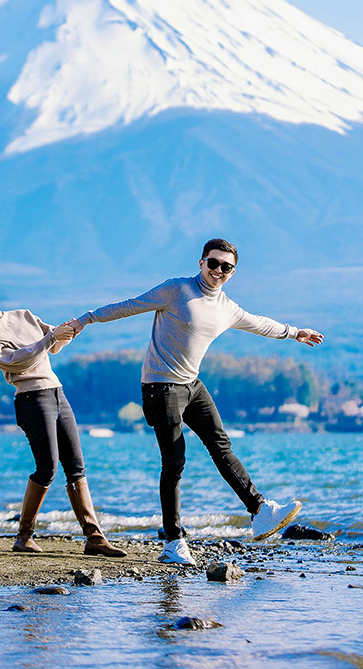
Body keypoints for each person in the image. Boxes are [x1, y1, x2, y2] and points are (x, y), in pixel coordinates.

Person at [65, 238, 322, 566]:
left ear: (233, 272)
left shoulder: (226, 307)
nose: (218, 270)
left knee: (221, 446)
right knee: (174, 461)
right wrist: (85, 319)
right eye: (213, 263)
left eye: (226, 267)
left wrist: (295, 332)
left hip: (192, 386)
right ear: (201, 262)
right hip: (161, 388)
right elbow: (129, 305)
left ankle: (260, 511)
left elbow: (258, 323)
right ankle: (173, 542)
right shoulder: (176, 290)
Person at [0, 275, 126, 558]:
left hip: (57, 392)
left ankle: (94, 538)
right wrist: (50, 338)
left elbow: (54, 344)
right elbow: (19, 361)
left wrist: (68, 331)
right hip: (31, 399)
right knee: (47, 468)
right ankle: (24, 536)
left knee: (76, 467)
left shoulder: (23, 315)